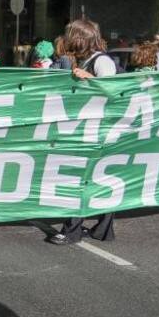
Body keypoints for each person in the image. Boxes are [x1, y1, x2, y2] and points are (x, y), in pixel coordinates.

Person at [47, 18, 117, 245]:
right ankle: (104, 230)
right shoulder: (86, 60)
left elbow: (114, 94)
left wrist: (92, 80)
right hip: (89, 130)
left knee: (79, 180)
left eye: (70, 35)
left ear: (79, 38)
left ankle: (72, 231)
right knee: (94, 180)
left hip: (97, 133)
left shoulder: (101, 62)